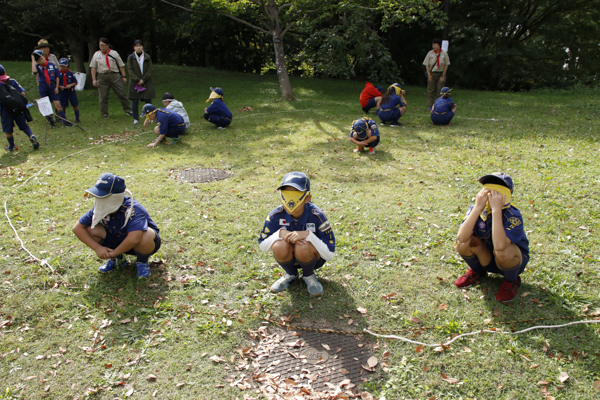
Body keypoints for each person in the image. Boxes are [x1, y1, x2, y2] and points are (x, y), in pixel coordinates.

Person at [455, 173, 530, 303]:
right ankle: (478, 271)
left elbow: (500, 246)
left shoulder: (513, 215)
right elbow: (461, 238)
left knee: (503, 251)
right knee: (463, 244)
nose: (491, 194)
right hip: (486, 257)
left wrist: (496, 210)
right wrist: (478, 207)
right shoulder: (476, 209)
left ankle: (511, 280)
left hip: (510, 259)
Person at [258, 172, 335, 296]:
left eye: (295, 194)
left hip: (313, 258)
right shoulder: (275, 215)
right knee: (279, 245)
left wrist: (308, 235)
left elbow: (329, 255)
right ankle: (291, 274)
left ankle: (309, 275)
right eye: (286, 194)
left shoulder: (317, 216)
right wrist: (280, 233)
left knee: (303, 245)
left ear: (307, 198)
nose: (290, 200)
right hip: (288, 255)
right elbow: (263, 246)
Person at [72, 173, 161, 278]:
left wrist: (113, 253)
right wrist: (97, 248)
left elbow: (134, 238)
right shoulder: (100, 207)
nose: (98, 201)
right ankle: (119, 259)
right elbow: (77, 228)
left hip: (141, 245)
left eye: (102, 197)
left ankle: (142, 262)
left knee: (146, 234)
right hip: (117, 241)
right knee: (90, 228)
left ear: (114, 198)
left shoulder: (132, 209)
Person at [89, 37, 133, 119]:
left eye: (104, 45)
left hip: (114, 75)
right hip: (102, 76)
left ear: (108, 45)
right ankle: (104, 113)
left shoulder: (114, 53)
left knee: (121, 94)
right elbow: (93, 67)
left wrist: (124, 76)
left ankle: (128, 110)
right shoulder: (96, 54)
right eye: (100, 45)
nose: (102, 47)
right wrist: (94, 79)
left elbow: (121, 65)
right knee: (103, 97)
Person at [0, 64, 39, 151]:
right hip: (18, 108)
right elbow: (23, 94)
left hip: (5, 110)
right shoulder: (12, 81)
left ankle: (11, 146)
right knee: (24, 126)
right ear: (5, 72)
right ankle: (31, 136)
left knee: (7, 128)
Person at [32, 49, 67, 127]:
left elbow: (57, 76)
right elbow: (34, 72)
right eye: (39, 60)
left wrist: (57, 87)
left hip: (52, 85)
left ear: (44, 57)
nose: (41, 61)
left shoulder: (51, 65)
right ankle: (51, 122)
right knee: (46, 105)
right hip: (43, 85)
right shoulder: (38, 67)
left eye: (42, 59)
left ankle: (65, 121)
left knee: (58, 104)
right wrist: (32, 60)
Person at [127, 40, 156, 126]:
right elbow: (130, 70)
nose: (138, 47)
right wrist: (137, 80)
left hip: (146, 81)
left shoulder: (147, 57)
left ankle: (151, 117)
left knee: (148, 100)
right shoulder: (131, 57)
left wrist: (143, 79)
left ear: (142, 47)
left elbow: (149, 70)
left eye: (140, 45)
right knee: (135, 101)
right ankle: (135, 118)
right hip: (135, 82)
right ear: (134, 47)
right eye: (136, 46)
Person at [423, 38, 450, 111]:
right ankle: (430, 106)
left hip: (440, 73)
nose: (434, 46)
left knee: (440, 91)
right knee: (430, 90)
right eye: (433, 44)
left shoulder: (444, 53)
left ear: (439, 45)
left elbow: (446, 65)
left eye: (435, 44)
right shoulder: (430, 53)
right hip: (432, 73)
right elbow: (427, 64)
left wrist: (443, 76)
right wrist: (429, 75)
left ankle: (439, 105)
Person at [57, 58, 80, 124]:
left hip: (71, 91)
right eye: (61, 66)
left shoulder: (70, 73)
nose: (63, 67)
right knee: (63, 106)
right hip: (62, 92)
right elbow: (55, 83)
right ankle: (64, 119)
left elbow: (75, 82)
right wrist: (59, 86)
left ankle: (77, 119)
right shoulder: (58, 74)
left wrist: (70, 85)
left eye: (64, 66)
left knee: (75, 104)